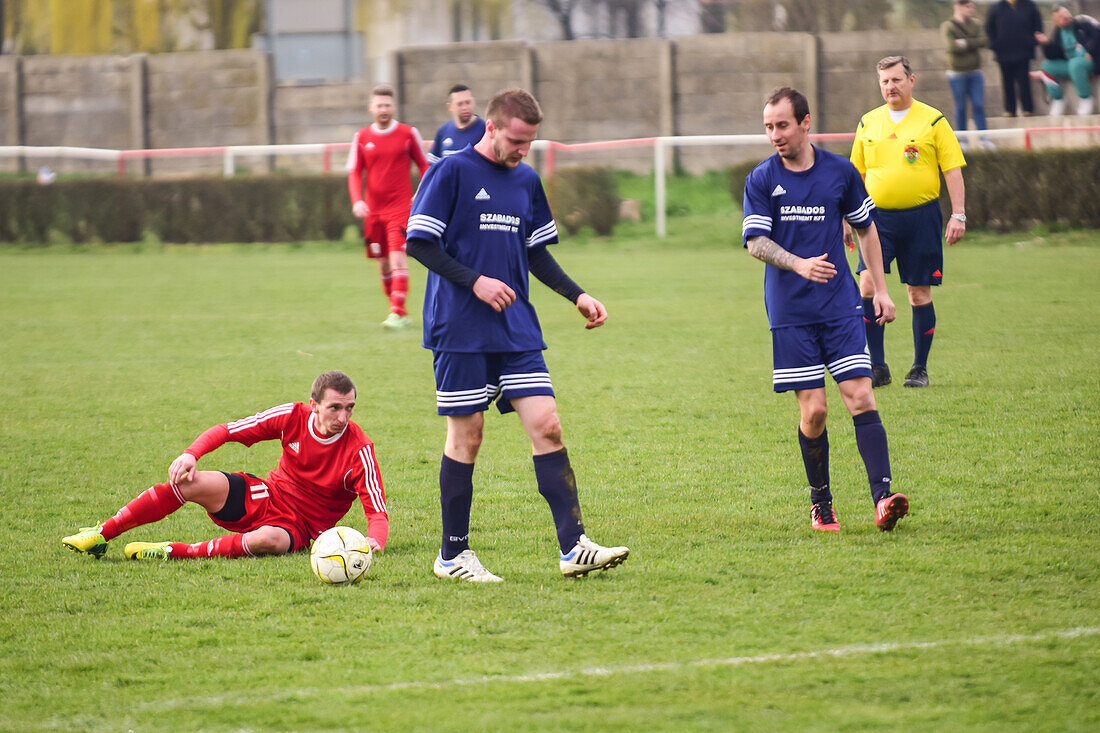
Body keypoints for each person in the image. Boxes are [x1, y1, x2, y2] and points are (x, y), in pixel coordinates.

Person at [405, 88, 629, 582]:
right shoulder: (450, 171)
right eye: (517, 140)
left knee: (547, 423)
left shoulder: (526, 180)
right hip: (459, 328)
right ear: (491, 128)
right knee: (468, 436)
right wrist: (475, 281)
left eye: (530, 141)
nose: (523, 150)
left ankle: (573, 546)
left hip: (515, 327)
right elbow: (418, 242)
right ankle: (453, 557)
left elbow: (536, 253)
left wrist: (577, 295)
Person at [742, 86, 908, 534]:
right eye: (768, 127)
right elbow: (755, 242)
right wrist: (798, 263)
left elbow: (867, 228)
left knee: (861, 396)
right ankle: (821, 503)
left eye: (782, 125)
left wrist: (881, 288)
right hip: (790, 311)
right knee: (814, 411)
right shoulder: (761, 179)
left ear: (805, 122)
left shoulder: (839, 172)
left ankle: (883, 498)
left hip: (839, 305)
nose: (774, 134)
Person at [62, 371, 389, 561]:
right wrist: (191, 454)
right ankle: (101, 534)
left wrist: (375, 540)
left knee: (267, 541)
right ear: (313, 405)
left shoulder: (359, 450)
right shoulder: (291, 416)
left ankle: (174, 552)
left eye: (350, 408)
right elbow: (228, 430)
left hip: (301, 528)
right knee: (187, 483)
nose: (343, 418)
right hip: (268, 494)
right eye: (335, 408)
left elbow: (377, 512)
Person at [846, 56, 967, 389]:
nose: (890, 87)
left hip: (921, 218)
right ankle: (877, 366)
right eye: (885, 81)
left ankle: (919, 368)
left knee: (917, 292)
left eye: (897, 80)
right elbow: (855, 174)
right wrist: (846, 218)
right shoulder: (868, 123)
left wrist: (958, 213)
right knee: (867, 285)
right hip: (875, 220)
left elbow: (952, 169)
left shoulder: (932, 121)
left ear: (912, 80)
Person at [347, 84, 430, 330]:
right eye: (379, 105)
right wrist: (357, 200)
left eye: (387, 105)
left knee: (397, 258)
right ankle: (396, 310)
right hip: (374, 212)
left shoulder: (407, 133)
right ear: (371, 108)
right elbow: (354, 172)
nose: (383, 109)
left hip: (401, 209)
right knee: (383, 264)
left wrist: (421, 194)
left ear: (394, 107)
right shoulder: (361, 137)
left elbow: (425, 166)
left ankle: (397, 311)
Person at [1033, 5, 1100, 116]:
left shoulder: (1083, 21)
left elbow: (1097, 34)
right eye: (1060, 16)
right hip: (1070, 64)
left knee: (1076, 64)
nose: (1065, 17)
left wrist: (1091, 51)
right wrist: (1046, 44)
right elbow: (1053, 55)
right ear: (1056, 22)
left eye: (1066, 13)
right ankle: (1058, 99)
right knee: (1046, 66)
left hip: (1090, 61)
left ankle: (1086, 98)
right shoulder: (1058, 32)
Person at [942, 0, 992, 146]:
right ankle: (962, 140)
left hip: (975, 71)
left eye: (972, 6)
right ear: (958, 7)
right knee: (961, 107)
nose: (971, 10)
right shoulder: (948, 26)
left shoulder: (975, 24)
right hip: (957, 74)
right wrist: (971, 42)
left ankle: (984, 139)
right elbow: (951, 47)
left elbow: (983, 41)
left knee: (978, 105)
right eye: (968, 7)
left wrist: (964, 42)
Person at [985, 0, 1044, 117]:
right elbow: (989, 27)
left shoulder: (1029, 6)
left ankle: (1027, 109)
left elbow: (1038, 26)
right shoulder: (997, 7)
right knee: (1007, 82)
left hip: (1023, 51)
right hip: (1004, 52)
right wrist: (995, 44)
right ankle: (1009, 109)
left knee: (1024, 82)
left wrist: (1031, 41)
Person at [428, 84, 487, 164]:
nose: (465, 107)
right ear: (450, 107)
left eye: (468, 102)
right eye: (460, 104)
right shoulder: (443, 131)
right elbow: (433, 166)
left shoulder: (485, 129)